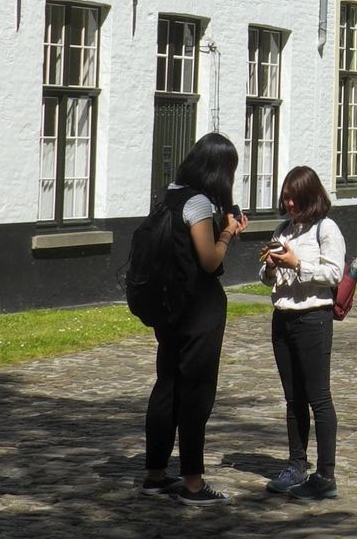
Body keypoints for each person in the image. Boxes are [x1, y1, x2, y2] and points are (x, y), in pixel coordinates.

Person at [143, 132, 248, 506]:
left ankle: (155, 475)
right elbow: (209, 260)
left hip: (168, 307)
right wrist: (228, 234)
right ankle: (192, 482)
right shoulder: (200, 204)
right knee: (196, 394)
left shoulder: (169, 194)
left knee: (167, 386)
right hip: (198, 309)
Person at [260, 165, 345, 501]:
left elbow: (334, 273)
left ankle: (326, 475)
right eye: (285, 198)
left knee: (318, 397)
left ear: (309, 197)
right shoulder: (284, 230)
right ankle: (297, 464)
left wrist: (297, 265)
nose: (289, 204)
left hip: (313, 319)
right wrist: (270, 266)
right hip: (283, 319)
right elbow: (267, 280)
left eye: (294, 198)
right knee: (292, 397)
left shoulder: (327, 229)